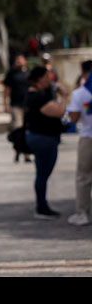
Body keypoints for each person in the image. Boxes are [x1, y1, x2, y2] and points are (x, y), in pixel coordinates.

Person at [24, 66, 68, 220]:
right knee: (42, 175)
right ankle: (41, 207)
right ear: (39, 79)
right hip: (43, 138)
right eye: (46, 77)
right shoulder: (37, 97)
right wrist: (64, 97)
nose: (49, 80)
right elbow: (59, 112)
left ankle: (41, 205)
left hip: (42, 137)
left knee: (42, 174)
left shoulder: (39, 94)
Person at [66, 60, 92, 226]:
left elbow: (74, 119)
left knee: (83, 177)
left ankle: (82, 213)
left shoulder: (80, 94)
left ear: (83, 73)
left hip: (87, 137)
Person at [3, 53, 31, 162]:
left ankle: (26, 153)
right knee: (18, 128)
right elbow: (6, 89)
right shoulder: (11, 74)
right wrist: (5, 103)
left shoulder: (29, 74)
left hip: (28, 105)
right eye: (17, 60)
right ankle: (18, 150)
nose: (19, 62)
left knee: (27, 129)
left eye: (21, 60)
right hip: (15, 105)